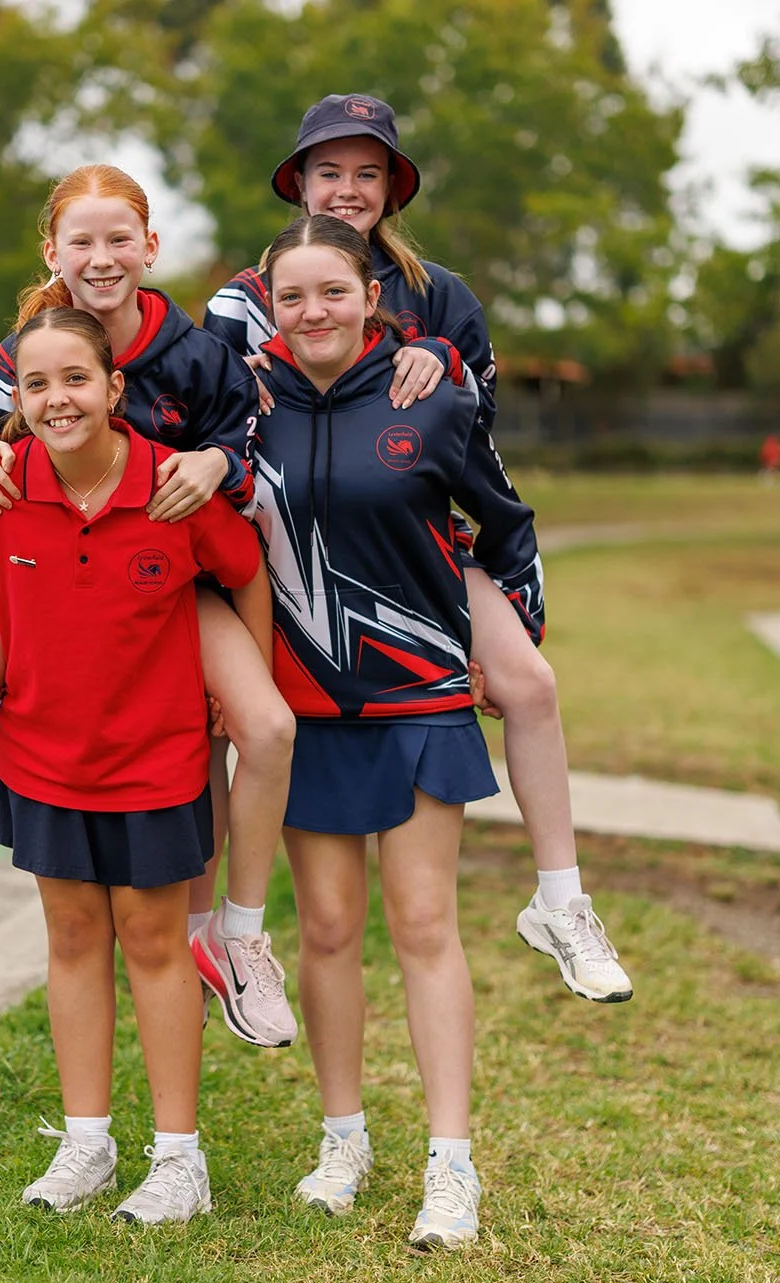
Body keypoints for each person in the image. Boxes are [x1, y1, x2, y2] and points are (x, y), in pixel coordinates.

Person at [0, 165, 300, 1051]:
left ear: (151, 247)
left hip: (168, 583)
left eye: (121, 240)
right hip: (39, 578)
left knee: (260, 729)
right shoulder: (23, 348)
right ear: (53, 252)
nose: (101, 258)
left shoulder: (195, 354)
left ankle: (237, 935)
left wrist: (219, 465)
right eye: (82, 240)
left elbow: (249, 452)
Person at [206, 93, 631, 1005]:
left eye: (368, 173)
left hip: (414, 547)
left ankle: (561, 902)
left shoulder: (440, 294)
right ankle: (221, 931)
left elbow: (477, 452)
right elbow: (200, 404)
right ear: (299, 181)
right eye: (330, 171)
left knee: (529, 684)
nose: (348, 189)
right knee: (226, 718)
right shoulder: (244, 299)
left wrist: (437, 356)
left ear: (393, 187)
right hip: (292, 557)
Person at [0, 306, 270, 1223]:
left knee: (156, 945)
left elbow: (244, 570)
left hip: (156, 762)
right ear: (18, 402)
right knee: (74, 940)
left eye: (76, 379)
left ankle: (179, 1161)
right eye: (36, 385)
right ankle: (87, 1144)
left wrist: (244, 690)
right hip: (42, 757)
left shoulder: (172, 486)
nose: (57, 399)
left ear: (116, 388)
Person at [247, 215, 544, 1250]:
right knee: (325, 929)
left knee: (422, 926)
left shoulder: (431, 396)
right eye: (291, 297)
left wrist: (510, 643)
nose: (312, 312)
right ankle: (342, 1137)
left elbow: (504, 524)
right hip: (308, 713)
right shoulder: (244, 408)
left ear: (371, 294)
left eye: (331, 291)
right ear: (269, 305)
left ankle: (450, 1164)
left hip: (417, 699)